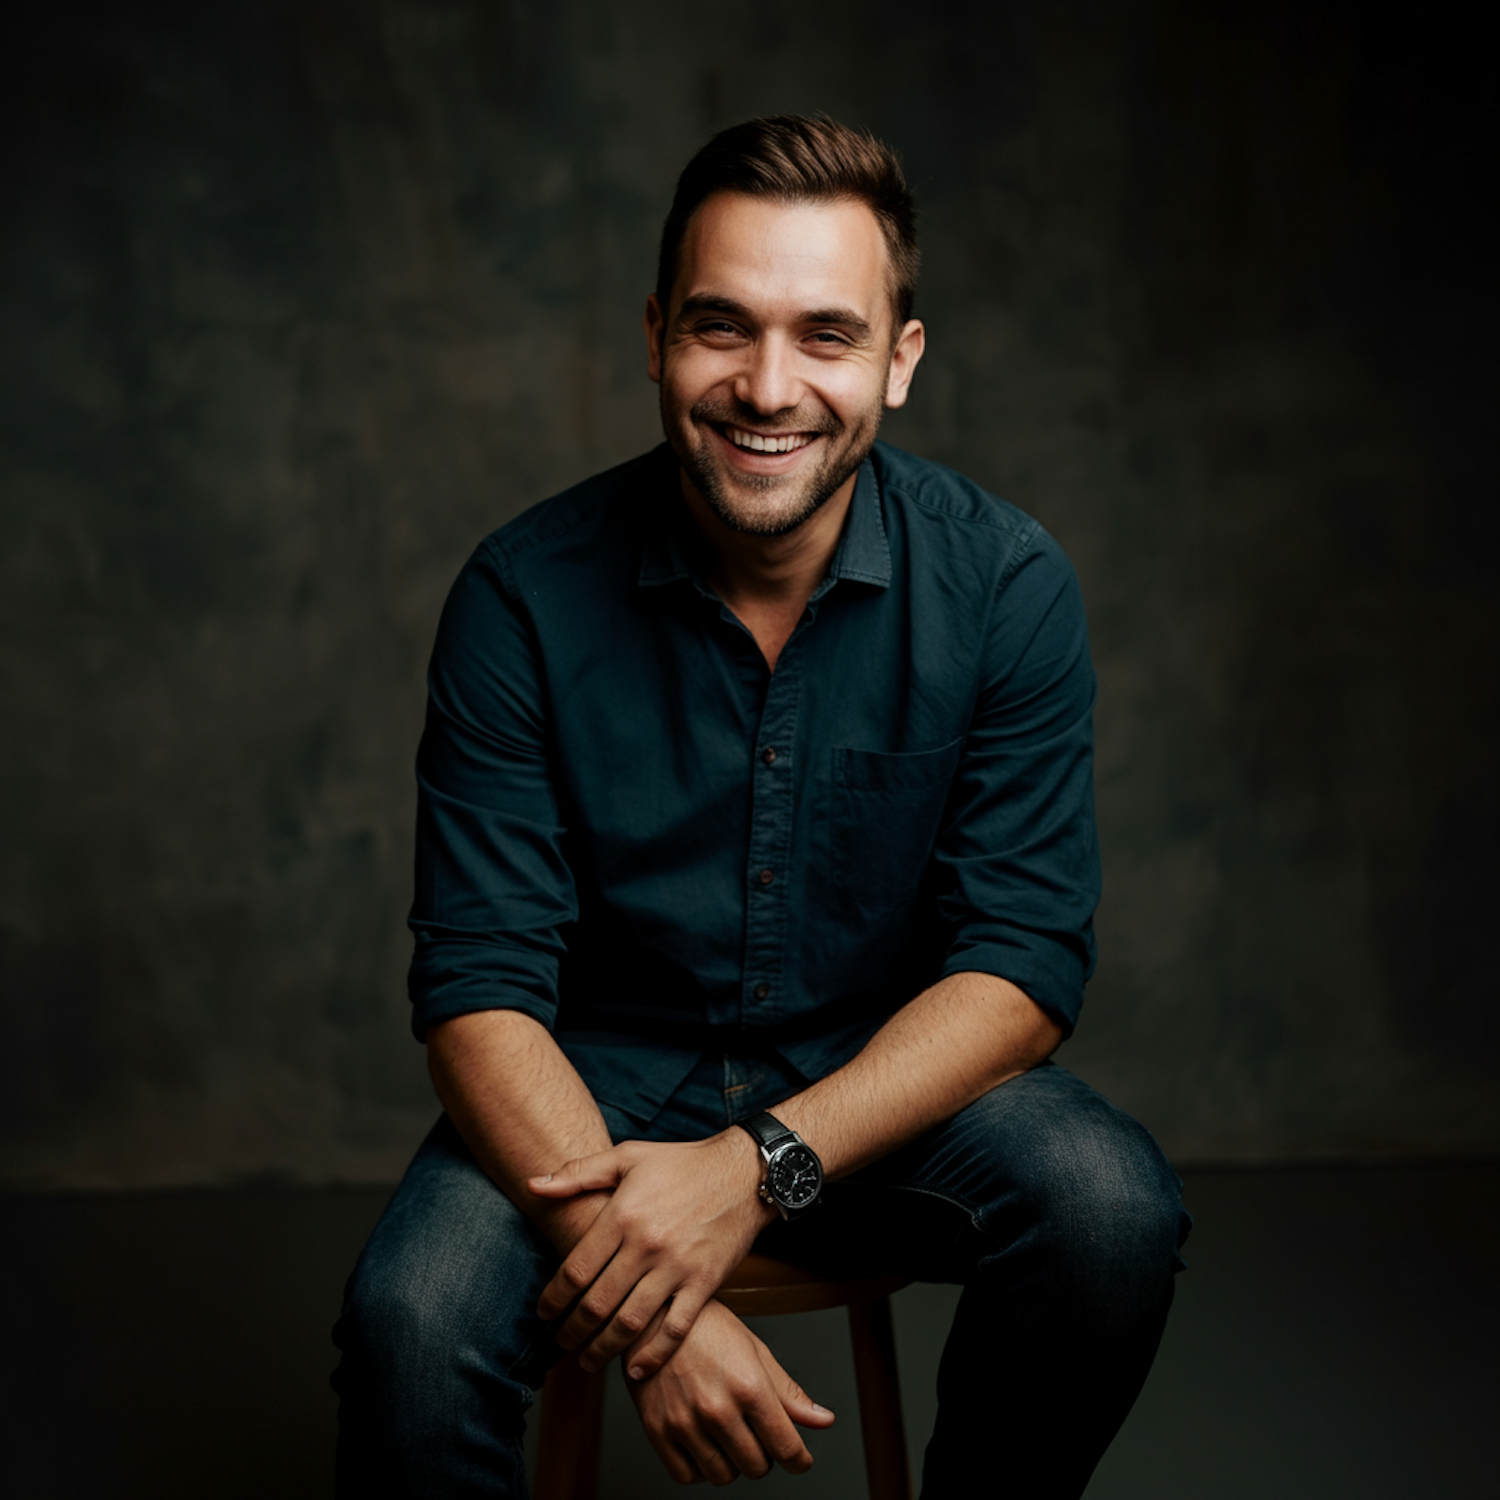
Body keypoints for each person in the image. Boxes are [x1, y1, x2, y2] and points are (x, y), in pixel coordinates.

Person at [333, 114, 1189, 1499]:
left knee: (1107, 1210)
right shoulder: (520, 595)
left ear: (901, 361)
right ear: (659, 331)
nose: (767, 386)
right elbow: (477, 985)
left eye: (827, 335)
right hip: (591, 1091)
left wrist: (757, 1168)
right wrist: (657, 1295)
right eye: (722, 327)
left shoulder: (1005, 586)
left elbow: (1022, 969)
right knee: (410, 1330)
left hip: (875, 1088)